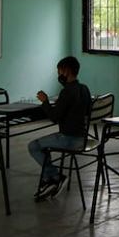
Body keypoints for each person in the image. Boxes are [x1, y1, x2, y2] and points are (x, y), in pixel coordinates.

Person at [28, 56, 90, 201]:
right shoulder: (84, 88)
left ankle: (55, 177)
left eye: (59, 71)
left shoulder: (67, 92)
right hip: (83, 137)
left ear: (66, 71)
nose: (58, 75)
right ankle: (49, 179)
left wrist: (45, 102)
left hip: (69, 139)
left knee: (34, 146)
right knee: (44, 146)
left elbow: (54, 117)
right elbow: (83, 111)